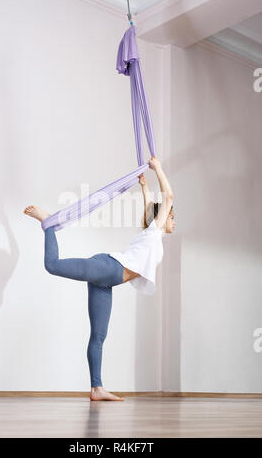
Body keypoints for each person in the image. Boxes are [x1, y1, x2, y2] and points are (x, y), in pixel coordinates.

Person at [23, 156, 174, 401]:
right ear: (164, 218)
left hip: (107, 281)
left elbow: (150, 211)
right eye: (172, 217)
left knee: (99, 335)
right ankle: (47, 222)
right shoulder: (154, 231)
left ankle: (97, 388)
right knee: (52, 265)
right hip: (107, 267)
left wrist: (145, 188)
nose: (174, 222)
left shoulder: (151, 233)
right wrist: (158, 169)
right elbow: (168, 197)